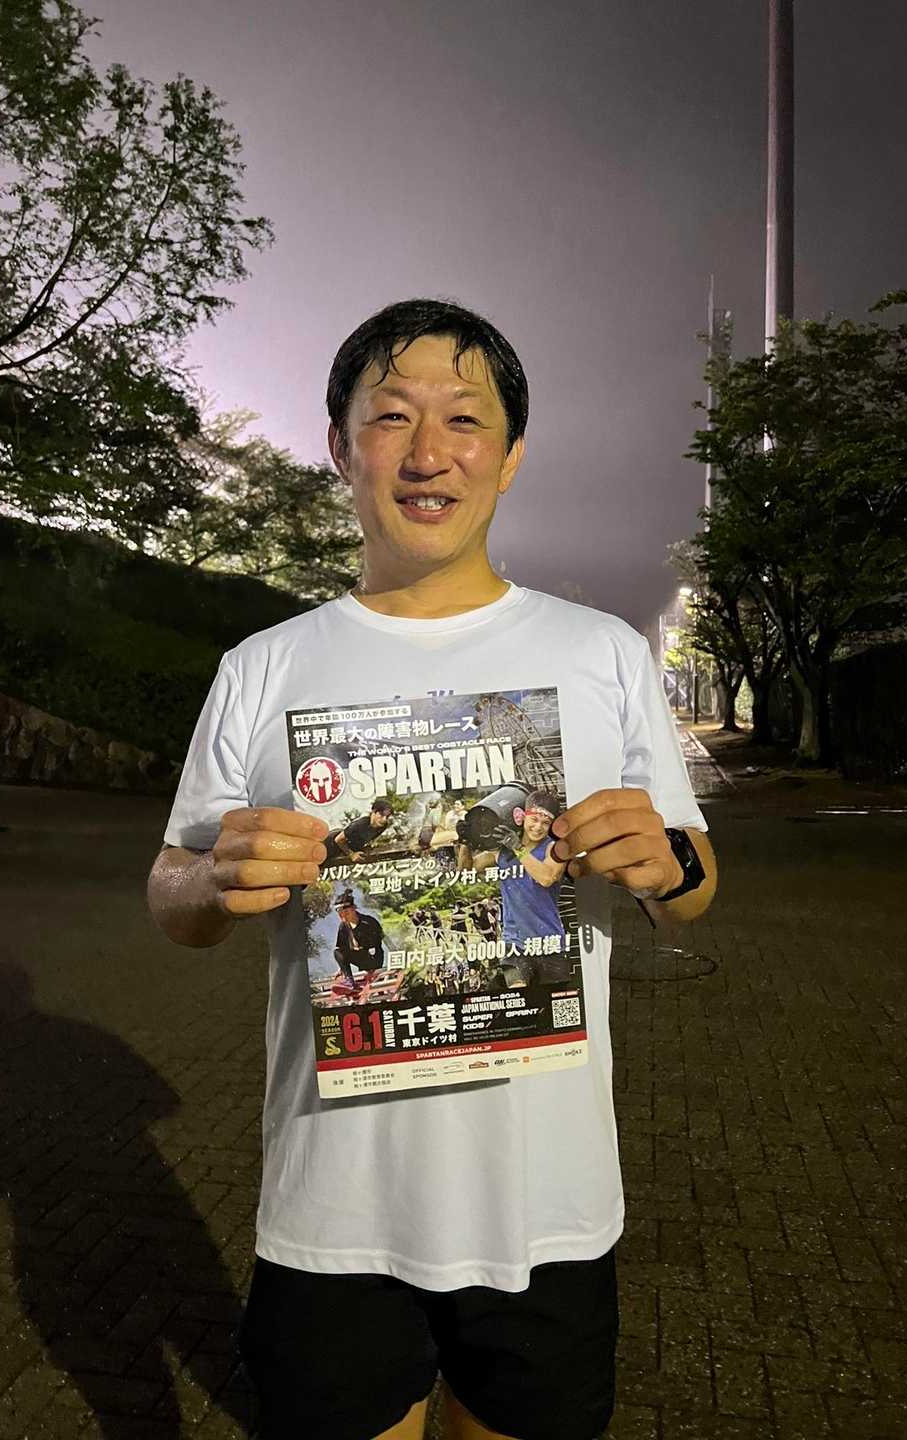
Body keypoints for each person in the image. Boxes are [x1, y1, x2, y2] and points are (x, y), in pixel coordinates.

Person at [147, 299, 718, 1440]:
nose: (427, 452)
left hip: (547, 1204)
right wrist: (212, 881)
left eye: (464, 418)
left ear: (510, 454)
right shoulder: (262, 667)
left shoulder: (603, 653)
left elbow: (695, 886)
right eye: (391, 416)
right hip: (334, 1209)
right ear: (339, 444)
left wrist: (665, 865)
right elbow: (172, 892)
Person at [464, 790, 570, 988]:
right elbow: (467, 870)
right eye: (534, 820)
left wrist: (518, 848)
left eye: (545, 823)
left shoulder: (554, 848)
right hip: (514, 943)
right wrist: (465, 843)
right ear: (521, 817)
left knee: (551, 1000)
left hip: (550, 942)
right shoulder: (502, 851)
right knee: (517, 992)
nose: (538, 827)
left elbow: (547, 878)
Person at [332, 890, 385, 994]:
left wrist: (374, 969)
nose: (344, 916)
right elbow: (343, 950)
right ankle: (349, 982)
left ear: (353, 909)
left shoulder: (368, 922)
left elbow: (376, 946)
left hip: (374, 958)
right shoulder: (343, 926)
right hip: (362, 958)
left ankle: (352, 982)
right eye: (340, 914)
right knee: (337, 952)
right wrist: (342, 969)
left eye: (346, 913)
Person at [331, 798, 394, 862]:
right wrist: (351, 854)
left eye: (387, 816)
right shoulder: (360, 824)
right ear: (373, 812)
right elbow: (338, 839)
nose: (384, 819)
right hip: (330, 844)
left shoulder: (383, 826)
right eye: (381, 814)